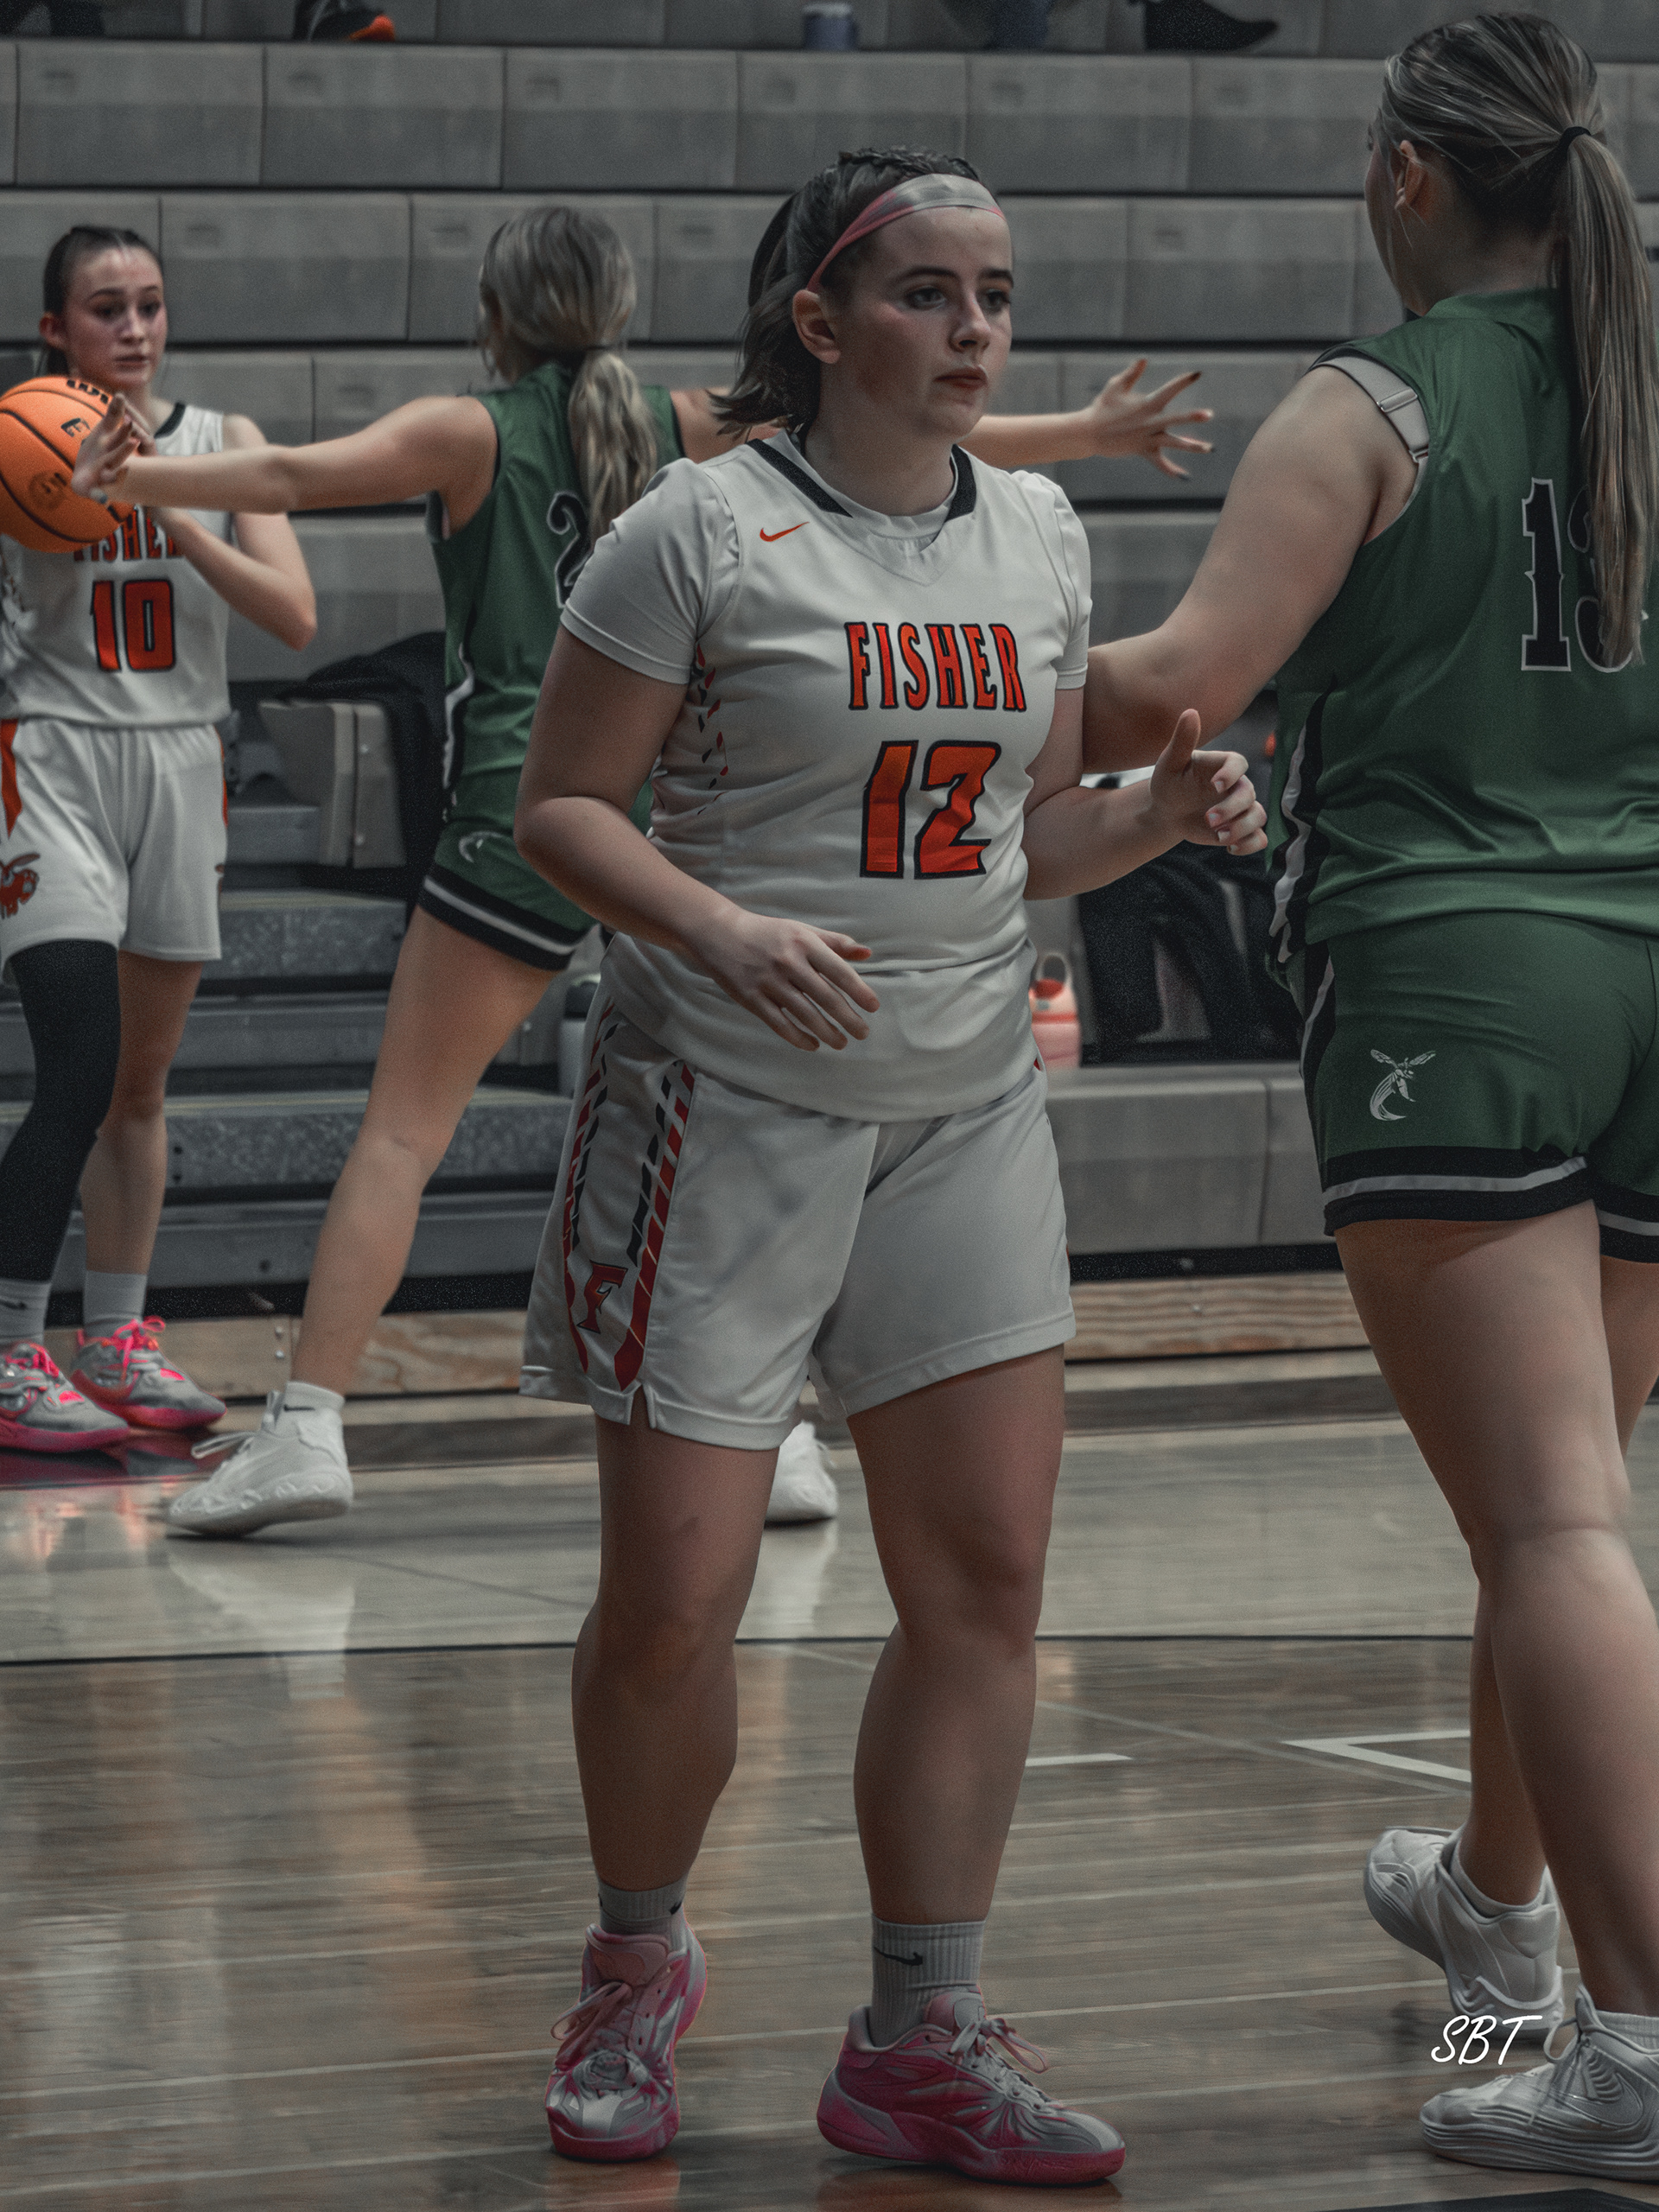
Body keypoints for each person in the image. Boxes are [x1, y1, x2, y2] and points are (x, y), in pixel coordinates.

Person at [508, 147, 1265, 2177]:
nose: (978, 328)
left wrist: (1155, 811)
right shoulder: (695, 529)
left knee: (987, 1580)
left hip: (962, 1105)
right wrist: (720, 925)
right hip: (720, 1102)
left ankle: (921, 2033)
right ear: (822, 321)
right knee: (670, 1607)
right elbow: (559, 806)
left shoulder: (1039, 527)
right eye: (931, 292)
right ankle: (634, 1967)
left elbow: (1030, 831)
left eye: (996, 293)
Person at [74, 201, 1217, 1536]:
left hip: (529, 810)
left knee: (404, 1131)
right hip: (675, 815)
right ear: (616, 301)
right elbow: (918, 434)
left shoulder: (469, 428)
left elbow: (288, 476)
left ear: (495, 313)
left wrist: (135, 486)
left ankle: (310, 1422)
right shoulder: (690, 423)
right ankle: (776, 1430)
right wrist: (1088, 433)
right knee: (739, 1123)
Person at [1081, 12, 1659, 2183]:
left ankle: (1639, 2041)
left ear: (1409, 174)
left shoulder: (1370, 403)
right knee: (1558, 1499)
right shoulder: (1637, 374)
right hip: (1653, 965)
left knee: (1552, 1519)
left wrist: (914, 656)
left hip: (1460, 973)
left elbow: (1180, 687)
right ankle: (1496, 1907)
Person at [0, 226, 315, 1453]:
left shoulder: (222, 440)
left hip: (184, 758)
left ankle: (115, 1338)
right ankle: (10, 1349)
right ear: (56, 331)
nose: (133, 329)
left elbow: (293, 614)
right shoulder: (17, 436)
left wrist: (167, 505)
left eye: (149, 305)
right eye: (105, 309)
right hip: (53, 755)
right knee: (79, 1062)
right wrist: (77, 494)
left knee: (139, 1084)